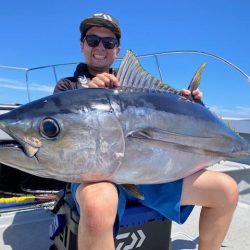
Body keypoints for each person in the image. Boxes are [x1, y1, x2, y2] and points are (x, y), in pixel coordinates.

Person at [54, 13, 239, 250]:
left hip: (150, 175)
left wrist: (190, 106)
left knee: (226, 190)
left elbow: (168, 125)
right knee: (98, 205)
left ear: (117, 49)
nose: (100, 47)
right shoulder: (67, 88)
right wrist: (86, 93)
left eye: (108, 42)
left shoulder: (133, 88)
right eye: (92, 40)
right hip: (96, 177)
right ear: (82, 45)